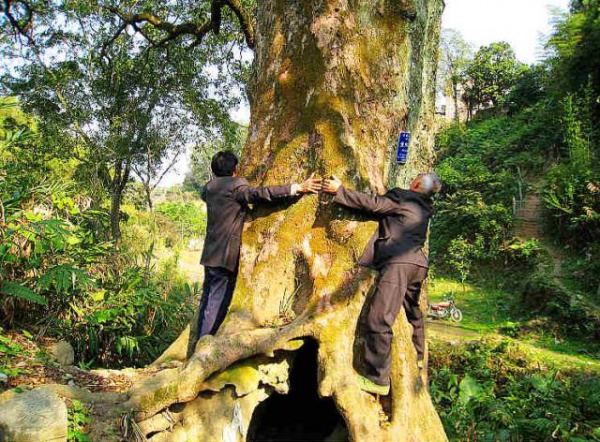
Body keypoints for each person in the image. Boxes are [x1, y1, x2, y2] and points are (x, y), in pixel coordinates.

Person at [323, 173, 441, 396]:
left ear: (415, 184)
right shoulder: (426, 207)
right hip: (418, 265)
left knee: (379, 318)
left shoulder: (403, 197)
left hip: (398, 263)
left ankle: (377, 379)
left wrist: (340, 190)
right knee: (412, 314)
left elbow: (374, 204)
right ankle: (417, 357)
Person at [197, 151, 321, 339]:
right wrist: (297, 187)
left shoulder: (209, 188)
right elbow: (259, 194)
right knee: (216, 302)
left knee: (207, 300)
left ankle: (200, 340)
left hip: (210, 253)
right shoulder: (236, 185)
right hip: (225, 255)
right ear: (235, 170)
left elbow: (210, 195)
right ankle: (204, 345)